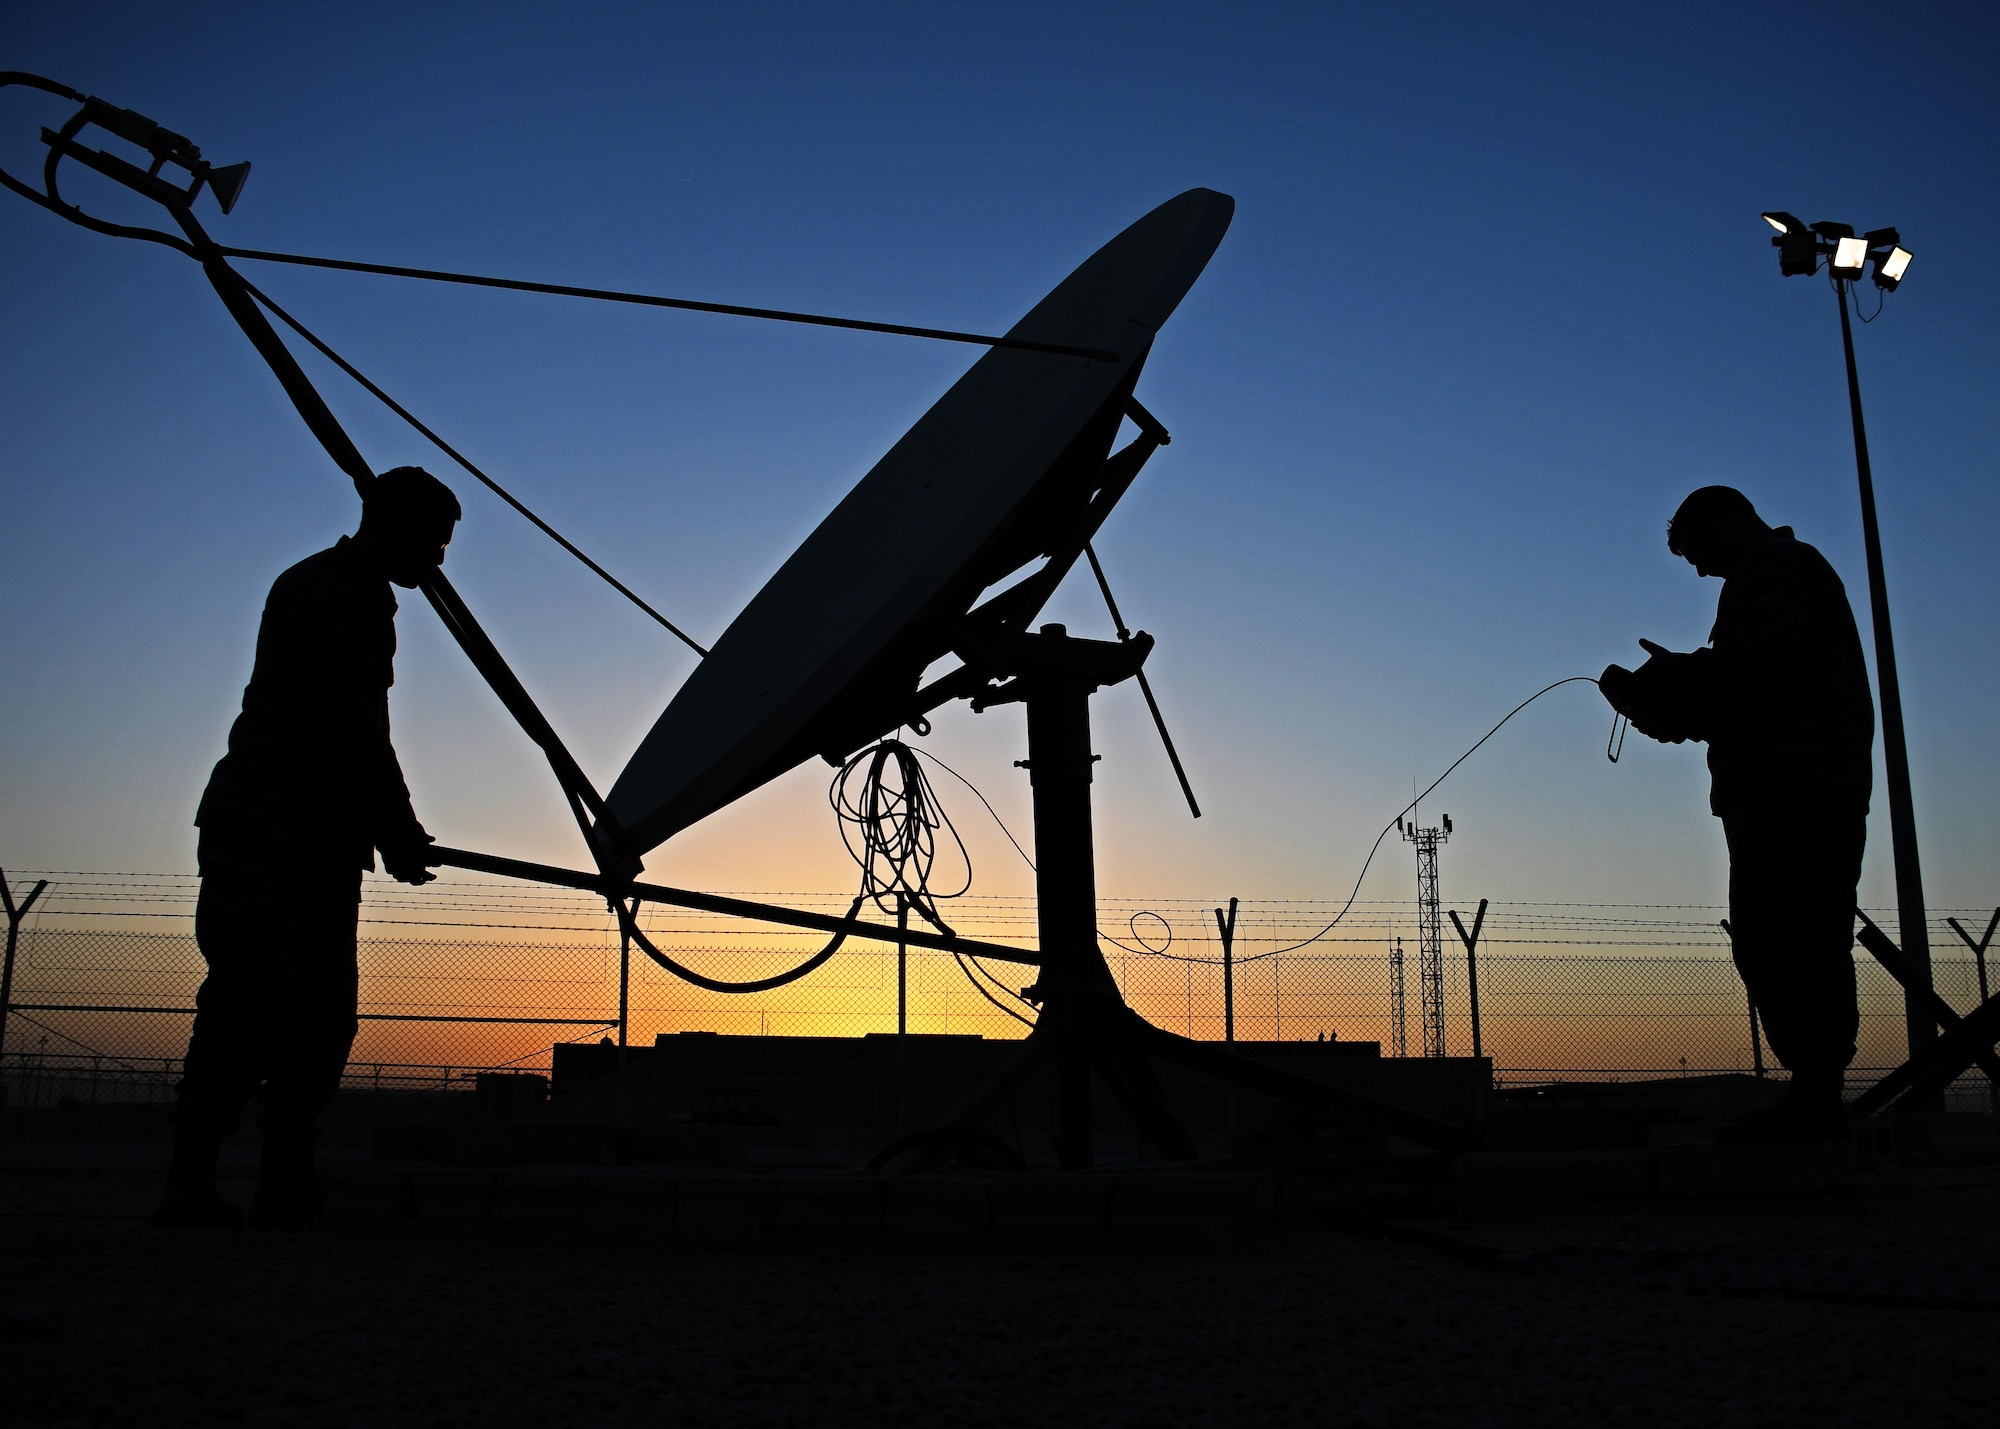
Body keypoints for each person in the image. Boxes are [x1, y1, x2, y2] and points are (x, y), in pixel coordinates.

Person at [153, 467, 460, 1229]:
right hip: (268, 832)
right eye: (433, 541)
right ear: (389, 524)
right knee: (248, 1005)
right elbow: (342, 724)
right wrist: (395, 823)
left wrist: (386, 827)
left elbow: (360, 732)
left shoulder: (366, 599)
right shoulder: (322, 594)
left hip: (323, 839)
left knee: (322, 1015)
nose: (440, 561)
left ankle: (286, 1181)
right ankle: (190, 1182)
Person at [1600, 486, 1874, 1144]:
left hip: (1796, 784)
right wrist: (1674, 709)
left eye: (1695, 551)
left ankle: (1815, 1101)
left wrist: (1675, 681)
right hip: (1788, 781)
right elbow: (1749, 693)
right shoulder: (1771, 577)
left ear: (1726, 520)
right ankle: (1815, 1096)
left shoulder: (1777, 569)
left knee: (1790, 932)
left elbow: (1755, 668)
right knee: (1781, 932)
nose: (1696, 569)